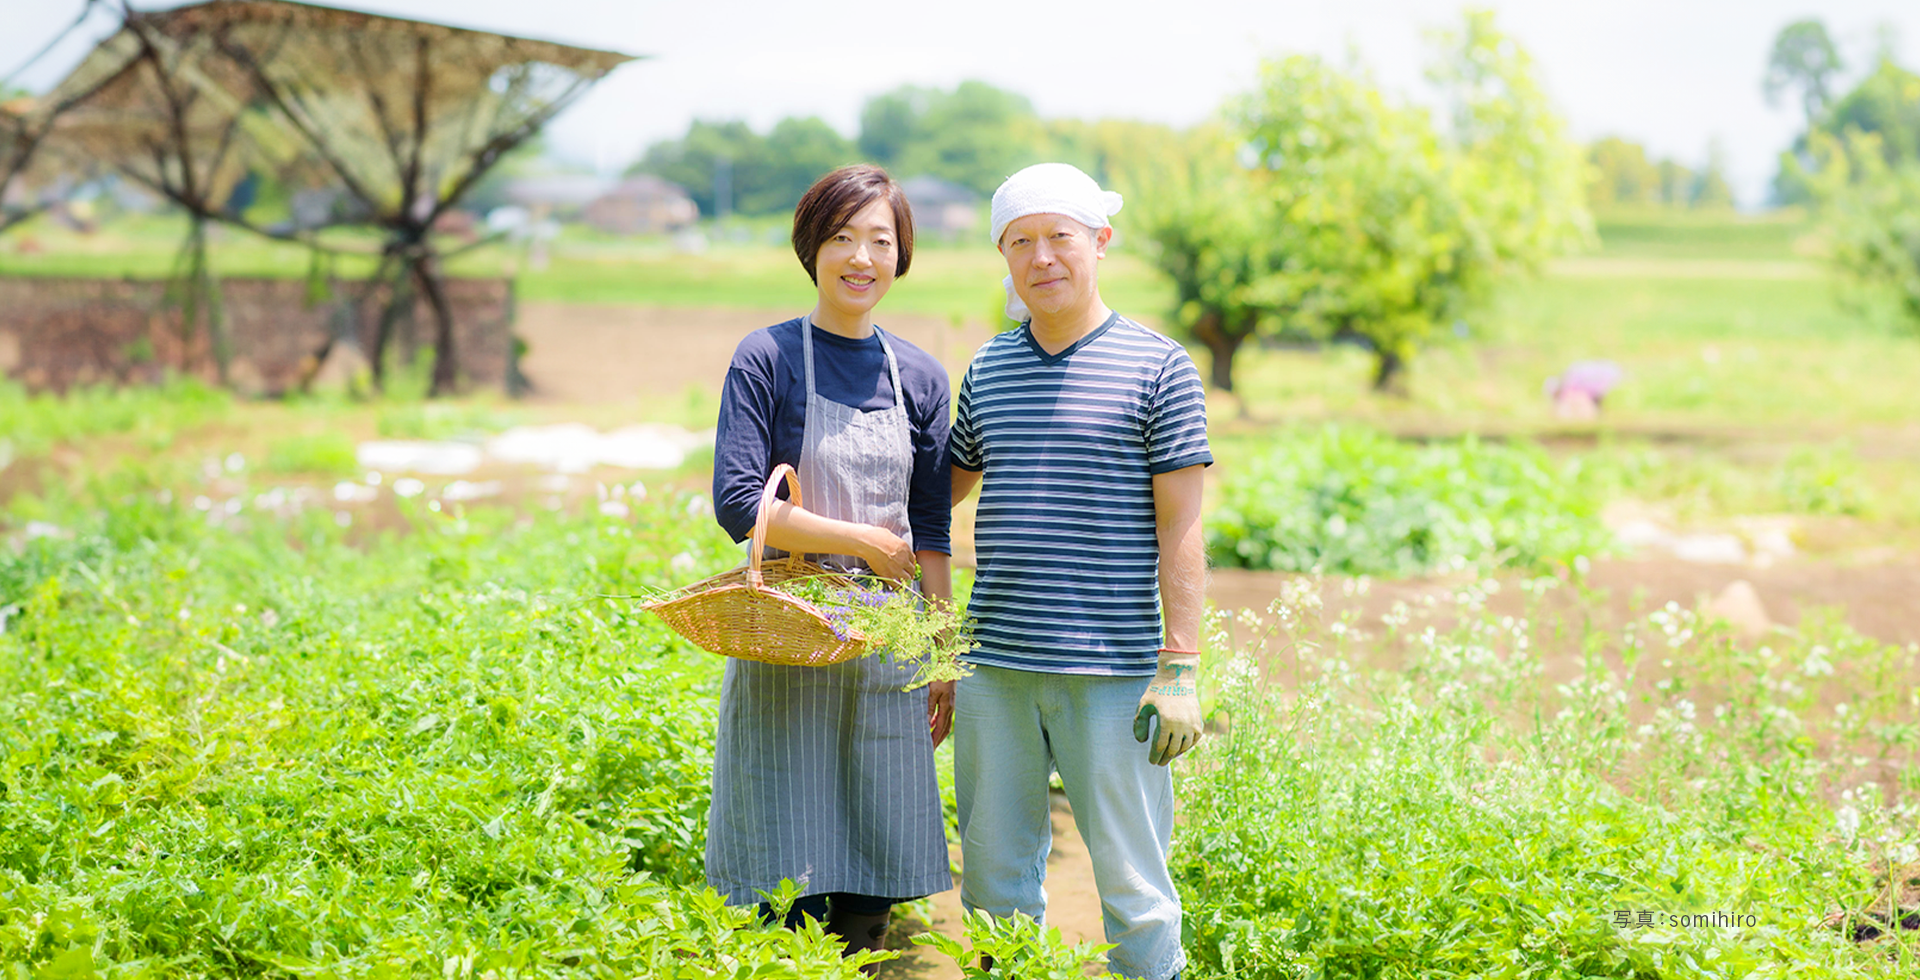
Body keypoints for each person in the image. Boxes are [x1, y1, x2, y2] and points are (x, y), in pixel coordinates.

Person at [948, 162, 1211, 980]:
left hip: (1114, 672)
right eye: (1020, 242)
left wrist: (1182, 668)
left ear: (1100, 241)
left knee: (1135, 886)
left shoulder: (1159, 367)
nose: (1042, 257)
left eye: (1060, 236)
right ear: (1005, 258)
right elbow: (938, 493)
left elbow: (1184, 529)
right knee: (994, 886)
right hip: (996, 670)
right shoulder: (990, 368)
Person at [707, 164, 955, 966]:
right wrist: (859, 543)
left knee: (869, 881)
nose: (860, 257)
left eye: (879, 240)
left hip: (885, 651)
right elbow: (741, 504)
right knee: (786, 880)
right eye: (842, 237)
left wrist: (942, 656)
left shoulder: (917, 374)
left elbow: (931, 531)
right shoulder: (768, 356)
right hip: (790, 639)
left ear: (900, 254)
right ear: (811, 246)